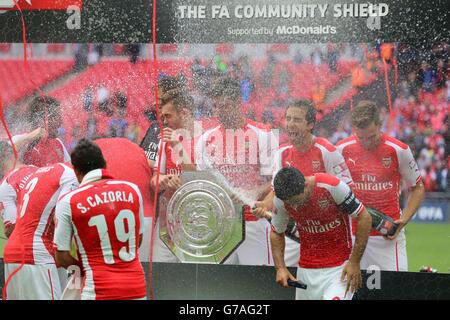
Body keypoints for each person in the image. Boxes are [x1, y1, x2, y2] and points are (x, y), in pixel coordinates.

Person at [254, 100, 353, 267]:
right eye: (288, 118)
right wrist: (264, 204)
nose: (290, 124)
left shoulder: (326, 151)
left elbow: (348, 192)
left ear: (310, 124)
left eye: (297, 120)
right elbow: (277, 191)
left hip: (327, 232)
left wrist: (318, 208)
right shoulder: (281, 154)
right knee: (281, 277)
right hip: (294, 231)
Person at [196, 77, 278, 265]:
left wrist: (251, 192)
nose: (219, 111)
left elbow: (275, 182)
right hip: (220, 225)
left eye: (224, 105)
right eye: (216, 106)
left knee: (258, 282)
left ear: (238, 103)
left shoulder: (263, 136)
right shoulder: (206, 140)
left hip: (254, 223)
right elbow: (204, 183)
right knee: (219, 284)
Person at [337, 100, 425, 271]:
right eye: (360, 137)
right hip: (352, 237)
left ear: (379, 124)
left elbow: (418, 187)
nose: (366, 142)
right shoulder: (341, 149)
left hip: (387, 237)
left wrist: (403, 220)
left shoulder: (398, 150)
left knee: (393, 292)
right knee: (351, 294)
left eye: (371, 136)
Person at [54, 139, 146, 300]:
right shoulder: (132, 190)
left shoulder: (69, 201)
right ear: (104, 163)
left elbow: (61, 256)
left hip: (97, 290)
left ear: (75, 171)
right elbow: (137, 240)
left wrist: (85, 269)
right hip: (136, 288)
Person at [271, 167, 372, 300]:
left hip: (339, 269)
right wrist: (280, 268)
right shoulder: (282, 199)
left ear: (306, 185)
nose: (294, 206)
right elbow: (276, 232)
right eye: (290, 203)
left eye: (296, 201)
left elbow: (364, 217)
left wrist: (354, 262)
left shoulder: (331, 186)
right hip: (305, 271)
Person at [1, 140, 78, 300]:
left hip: (28, 255)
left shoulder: (6, 184)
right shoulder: (39, 171)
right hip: (50, 252)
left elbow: (11, 229)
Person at [95, 138, 154, 263]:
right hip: (144, 216)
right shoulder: (136, 150)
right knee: (142, 267)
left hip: (107, 216)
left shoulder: (95, 152)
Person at [15, 96, 71, 167]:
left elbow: (70, 170)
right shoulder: (24, 144)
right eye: (57, 116)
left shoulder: (57, 142)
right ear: (42, 119)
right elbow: (4, 151)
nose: (60, 122)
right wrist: (30, 137)